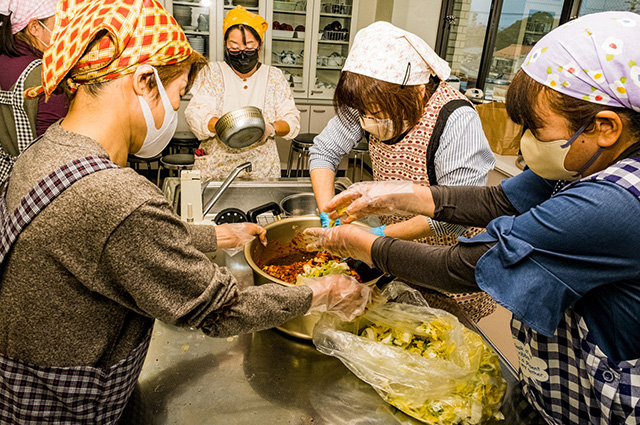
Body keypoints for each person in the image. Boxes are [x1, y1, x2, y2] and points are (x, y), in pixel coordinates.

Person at [0, 1, 370, 423]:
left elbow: (105, 238)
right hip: (71, 407)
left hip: (23, 386)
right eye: (177, 96)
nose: (175, 110)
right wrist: (322, 292)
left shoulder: (44, 153)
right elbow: (221, 310)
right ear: (144, 81)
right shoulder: (119, 195)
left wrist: (219, 236)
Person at [305, 11, 640, 424]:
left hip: (605, 402)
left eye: (536, 128)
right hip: (552, 382)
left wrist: (363, 242)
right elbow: (496, 201)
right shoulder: (583, 165)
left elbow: (460, 265)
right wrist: (396, 193)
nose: (524, 145)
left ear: (605, 127)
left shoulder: (615, 204)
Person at [310, 21, 496, 322]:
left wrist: (375, 237)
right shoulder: (367, 99)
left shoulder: (455, 120)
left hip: (448, 262)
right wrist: (327, 214)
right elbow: (324, 152)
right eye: (364, 112)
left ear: (418, 90)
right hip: (393, 256)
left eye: (380, 112)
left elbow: (455, 219)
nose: (369, 120)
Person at [185, 6, 299, 181]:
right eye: (234, 47)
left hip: (261, 168)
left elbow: (291, 121)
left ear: (260, 46)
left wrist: (270, 128)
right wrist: (225, 127)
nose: (242, 52)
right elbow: (196, 114)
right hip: (217, 169)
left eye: (249, 46)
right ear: (225, 45)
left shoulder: (274, 76)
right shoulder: (212, 72)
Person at [0, 0, 68, 184]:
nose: (62, 32)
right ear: (35, 27)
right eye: (58, 24)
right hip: (34, 183)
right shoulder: (44, 76)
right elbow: (57, 148)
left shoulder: (3, 60)